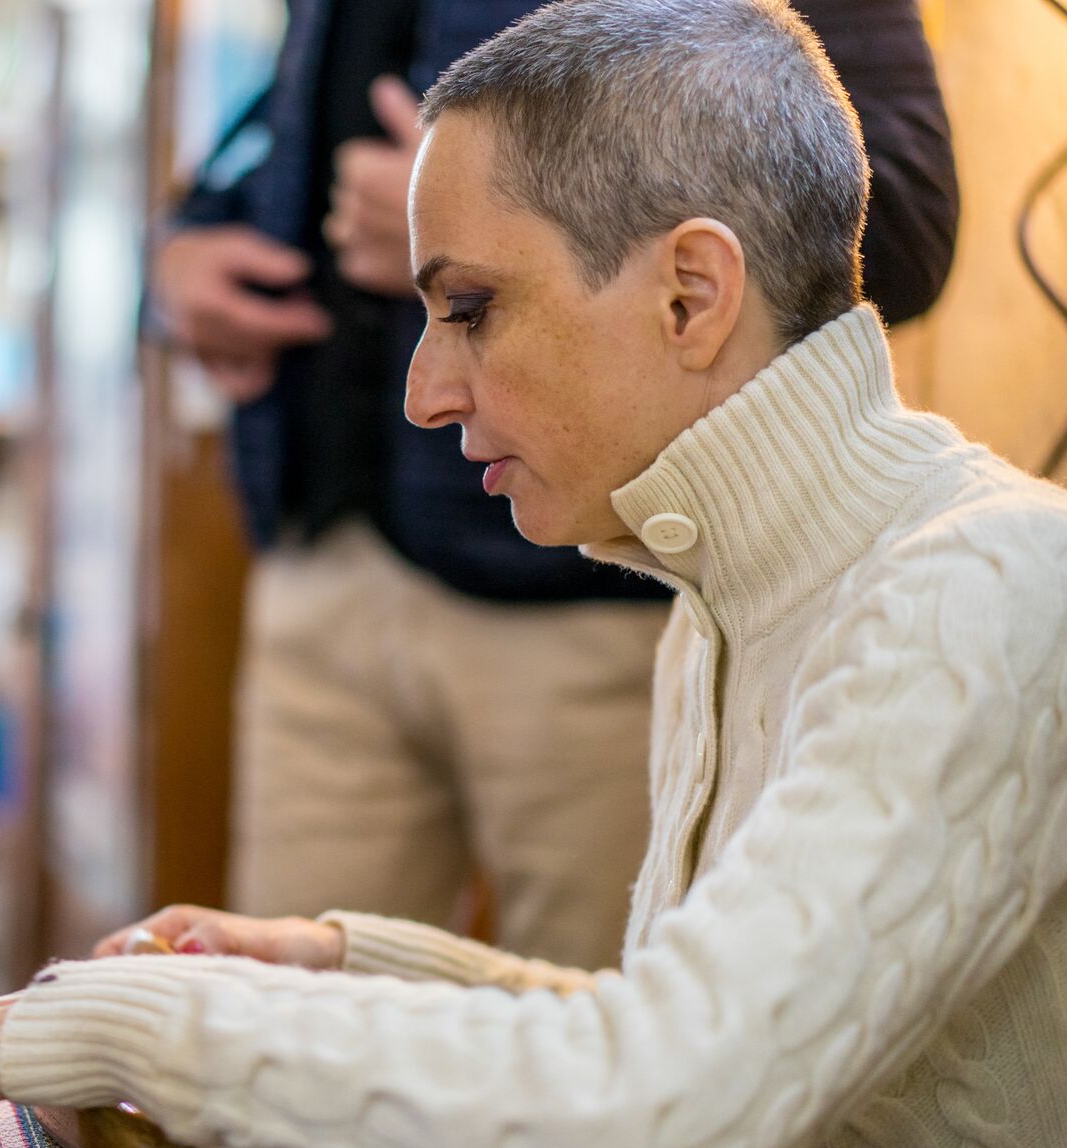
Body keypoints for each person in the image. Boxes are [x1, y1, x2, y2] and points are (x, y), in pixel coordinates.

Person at [0, 2, 1067, 1148]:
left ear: (692, 294)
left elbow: (649, 1144)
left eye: (473, 308)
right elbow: (690, 1042)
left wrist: (120, 1026)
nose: (426, 391)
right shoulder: (724, 604)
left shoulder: (976, 588)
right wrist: (337, 967)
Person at [153, 0, 958, 972]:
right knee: (276, 1074)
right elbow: (295, 116)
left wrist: (462, 208)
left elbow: (899, 213)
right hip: (318, 563)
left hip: (593, 600)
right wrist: (178, 254)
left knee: (605, 1057)